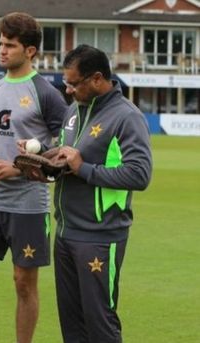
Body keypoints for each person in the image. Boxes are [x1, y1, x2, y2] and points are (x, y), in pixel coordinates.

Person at [0, 12, 68, 343]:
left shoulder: (46, 93)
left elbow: (65, 148)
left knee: (23, 283)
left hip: (28, 205)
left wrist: (17, 167)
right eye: (0, 44)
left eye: (10, 45)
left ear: (30, 51)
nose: (2, 51)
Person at [53, 45, 152, 342]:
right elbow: (68, 158)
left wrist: (84, 168)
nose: (68, 91)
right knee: (72, 327)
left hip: (99, 237)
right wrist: (45, 163)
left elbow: (139, 174)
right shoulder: (74, 111)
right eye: (65, 83)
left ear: (97, 79)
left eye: (73, 83)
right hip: (65, 232)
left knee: (101, 325)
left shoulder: (126, 117)